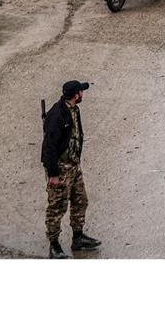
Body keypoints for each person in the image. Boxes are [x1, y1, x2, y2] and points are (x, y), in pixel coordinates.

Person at [42, 80, 101, 258]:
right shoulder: (57, 115)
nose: (83, 94)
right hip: (60, 169)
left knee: (80, 200)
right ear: (76, 94)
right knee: (57, 207)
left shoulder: (74, 110)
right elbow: (49, 146)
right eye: (81, 91)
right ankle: (54, 245)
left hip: (74, 166)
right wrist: (52, 173)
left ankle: (78, 237)